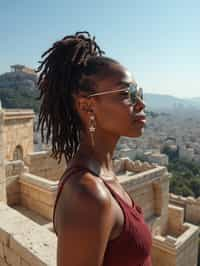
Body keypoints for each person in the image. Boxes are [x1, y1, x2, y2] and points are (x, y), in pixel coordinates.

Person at [37, 31, 152, 266]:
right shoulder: (88, 195)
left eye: (138, 92)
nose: (141, 103)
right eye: (126, 93)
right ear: (87, 106)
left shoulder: (102, 175)